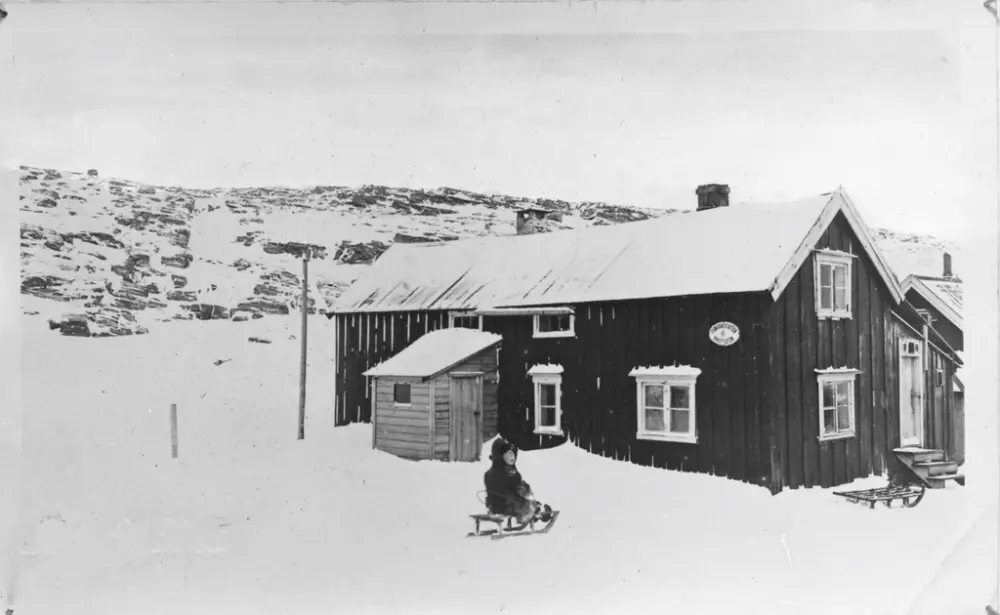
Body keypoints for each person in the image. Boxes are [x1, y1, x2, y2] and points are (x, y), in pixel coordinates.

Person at [483, 437, 553, 525]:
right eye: (508, 453)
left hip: (493, 506)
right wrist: (524, 490)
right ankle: (536, 512)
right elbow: (515, 488)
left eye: (513, 453)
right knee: (527, 506)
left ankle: (535, 510)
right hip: (507, 505)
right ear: (500, 455)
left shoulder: (490, 473)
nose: (512, 456)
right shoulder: (508, 472)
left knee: (525, 503)